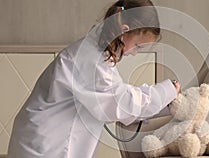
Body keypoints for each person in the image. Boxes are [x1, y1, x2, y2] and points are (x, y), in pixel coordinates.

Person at [7, 0, 180, 158]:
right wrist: (166, 91)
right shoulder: (91, 59)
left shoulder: (97, 53)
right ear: (124, 31)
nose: (135, 53)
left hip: (44, 140)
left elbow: (115, 99)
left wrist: (166, 105)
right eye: (138, 46)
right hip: (46, 146)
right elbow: (120, 103)